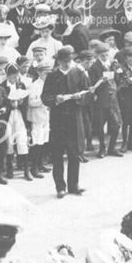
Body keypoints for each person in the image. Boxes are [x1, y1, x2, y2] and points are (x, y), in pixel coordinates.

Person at [41, 47, 90, 197]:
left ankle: (74, 185)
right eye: (64, 62)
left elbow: (87, 93)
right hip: (58, 119)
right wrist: (56, 99)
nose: (67, 64)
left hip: (74, 118)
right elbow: (45, 97)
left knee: (74, 153)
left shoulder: (79, 73)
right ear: (58, 61)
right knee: (57, 154)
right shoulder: (52, 76)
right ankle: (60, 187)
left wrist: (79, 97)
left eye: (69, 61)